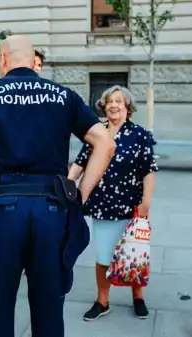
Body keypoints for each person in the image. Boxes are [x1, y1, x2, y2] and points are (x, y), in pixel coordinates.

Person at [0, 35, 116, 337]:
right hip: (51, 210)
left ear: (3, 60)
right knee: (49, 310)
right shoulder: (62, 95)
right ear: (33, 61)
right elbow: (105, 143)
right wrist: (78, 194)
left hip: (2, 211)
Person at [68, 85, 158, 321]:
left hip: (132, 205)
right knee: (104, 256)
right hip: (103, 205)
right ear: (104, 107)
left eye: (119, 101)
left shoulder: (140, 135)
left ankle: (138, 297)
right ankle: (102, 300)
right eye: (109, 101)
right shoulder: (98, 134)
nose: (114, 105)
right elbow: (80, 163)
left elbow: (149, 171)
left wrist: (147, 201)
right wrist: (68, 184)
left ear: (127, 107)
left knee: (134, 253)